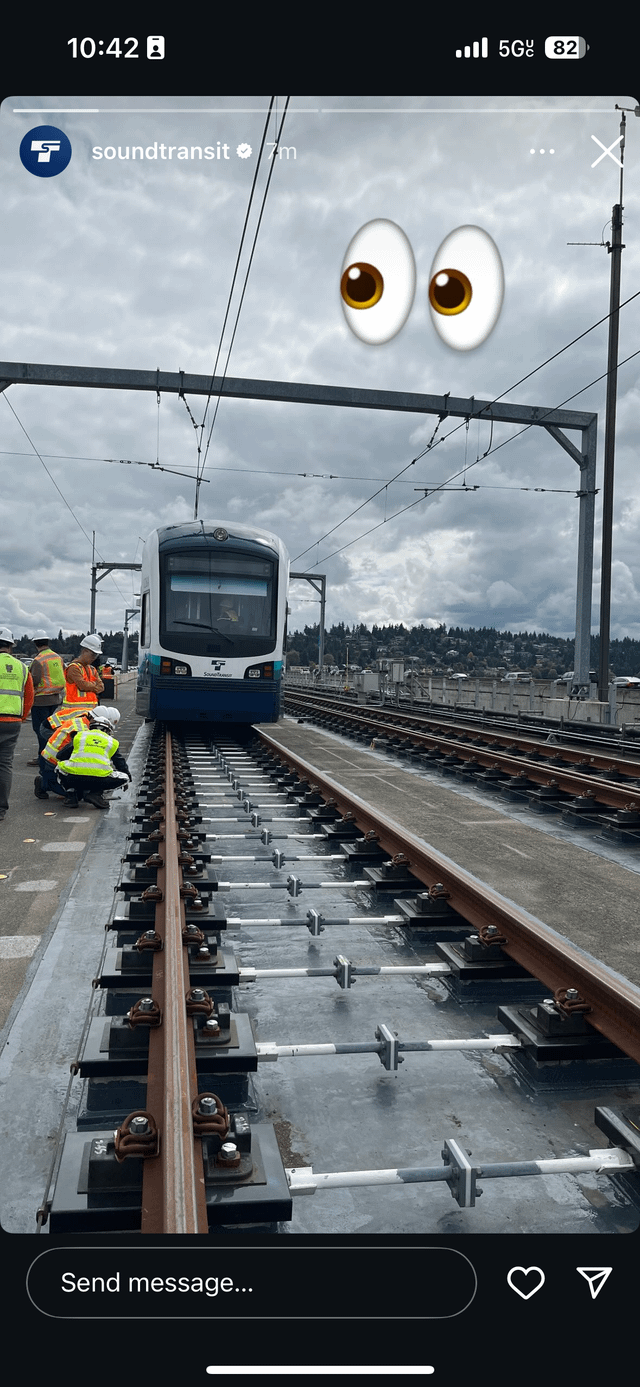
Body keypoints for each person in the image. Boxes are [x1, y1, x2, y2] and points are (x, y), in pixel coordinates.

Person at [55, 706, 130, 809]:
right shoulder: (111, 741)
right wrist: (127, 777)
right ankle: (96, 794)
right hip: (99, 779)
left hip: (74, 778)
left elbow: (60, 756)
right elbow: (120, 763)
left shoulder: (80, 736)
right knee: (124, 777)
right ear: (107, 730)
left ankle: (71, 794)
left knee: (59, 767)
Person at [0, 627, 34, 822]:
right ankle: (1, 809)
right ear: (11, 646)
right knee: (4, 765)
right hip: (12, 721)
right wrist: (21, 717)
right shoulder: (21, 667)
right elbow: (29, 696)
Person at [27, 631, 66, 765]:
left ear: (35, 644)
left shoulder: (38, 660)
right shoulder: (57, 657)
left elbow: (33, 681)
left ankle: (43, 757)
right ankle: (52, 754)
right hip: (55, 699)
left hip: (41, 700)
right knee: (50, 729)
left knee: (40, 730)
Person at [59, 634, 104, 716]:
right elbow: (83, 686)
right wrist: (94, 685)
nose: (94, 657)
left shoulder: (92, 669)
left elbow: (101, 687)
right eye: (93, 654)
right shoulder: (74, 668)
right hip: (73, 714)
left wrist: (90, 686)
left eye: (96, 655)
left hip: (90, 714)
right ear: (85, 651)